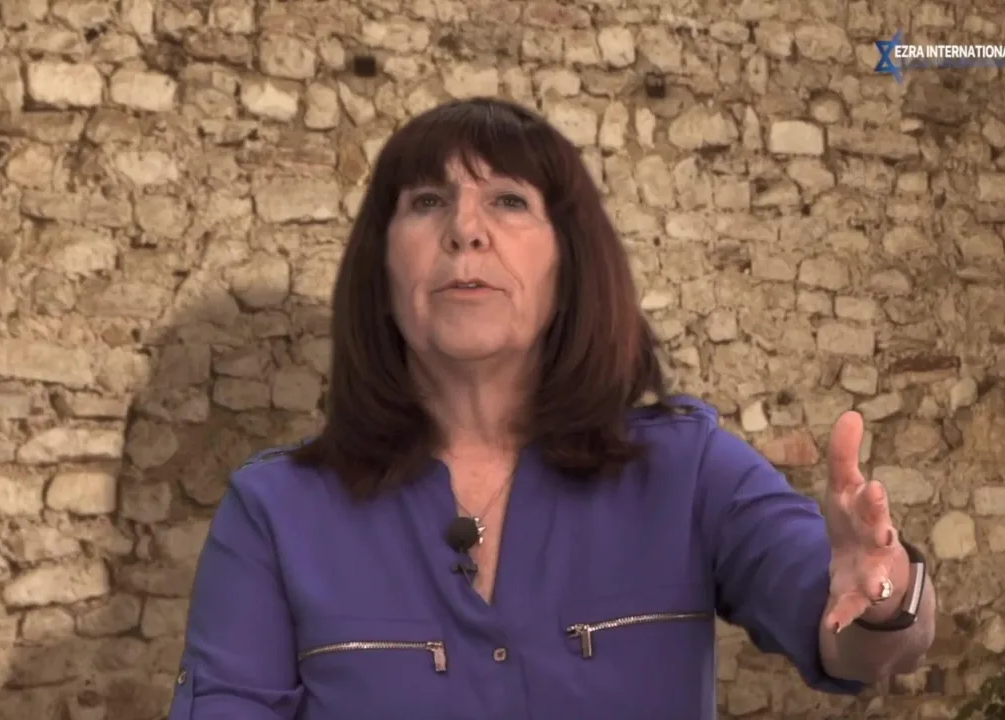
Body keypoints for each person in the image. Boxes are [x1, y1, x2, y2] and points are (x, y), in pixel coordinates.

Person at [167, 98, 937, 720]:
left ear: (570, 263)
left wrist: (880, 589)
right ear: (381, 267)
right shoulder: (274, 513)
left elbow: (857, 636)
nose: (464, 230)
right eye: (428, 201)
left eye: (508, 200)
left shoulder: (689, 471)